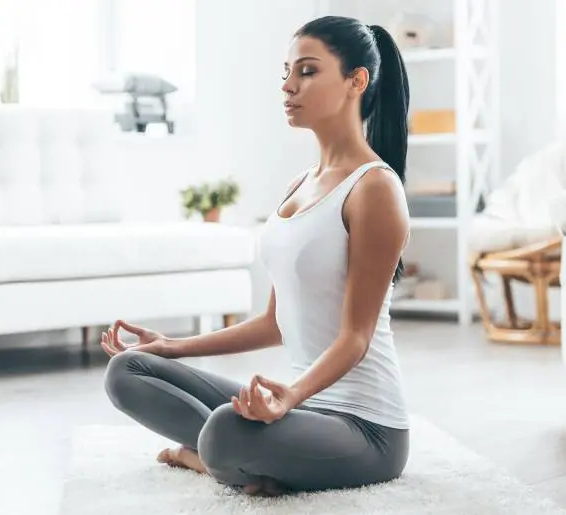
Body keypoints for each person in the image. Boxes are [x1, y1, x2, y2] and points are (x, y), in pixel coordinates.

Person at [100, 15, 411, 497]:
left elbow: (356, 337)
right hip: (302, 412)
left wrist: (289, 395)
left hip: (366, 429)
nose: (288, 86)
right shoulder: (300, 185)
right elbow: (273, 322)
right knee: (128, 371)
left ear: (357, 81)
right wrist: (170, 345)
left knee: (225, 429)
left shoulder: (375, 189)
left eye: (306, 72)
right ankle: (246, 462)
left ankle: (216, 456)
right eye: (286, 72)